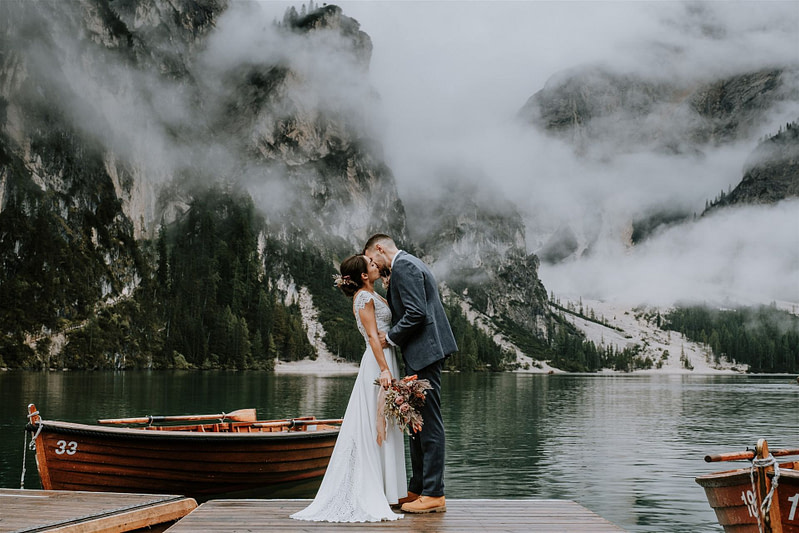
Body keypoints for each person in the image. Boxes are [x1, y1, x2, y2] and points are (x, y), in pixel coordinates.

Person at [291, 254, 406, 523]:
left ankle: (390, 491)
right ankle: (378, 491)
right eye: (371, 263)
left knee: (386, 421)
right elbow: (372, 338)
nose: (375, 263)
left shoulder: (372, 294)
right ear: (364, 275)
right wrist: (385, 369)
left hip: (386, 360)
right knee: (375, 421)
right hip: (378, 363)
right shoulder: (363, 299)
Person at [363, 234, 457, 514]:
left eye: (370, 258)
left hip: (425, 352)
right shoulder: (406, 266)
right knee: (416, 423)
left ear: (379, 249)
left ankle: (434, 493)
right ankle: (418, 488)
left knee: (428, 422)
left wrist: (389, 338)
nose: (372, 265)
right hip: (421, 352)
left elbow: (416, 313)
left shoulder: (405, 266)